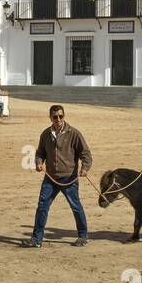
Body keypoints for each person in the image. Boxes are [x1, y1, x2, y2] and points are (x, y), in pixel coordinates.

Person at [26, 105, 93, 247]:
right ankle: (37, 239)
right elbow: (40, 152)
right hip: (50, 178)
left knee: (76, 206)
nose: (58, 119)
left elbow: (85, 154)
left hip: (69, 178)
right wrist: (39, 163)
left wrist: (85, 168)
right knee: (42, 206)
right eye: (55, 117)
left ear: (64, 116)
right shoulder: (45, 134)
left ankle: (83, 236)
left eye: (61, 116)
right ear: (50, 117)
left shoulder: (74, 133)